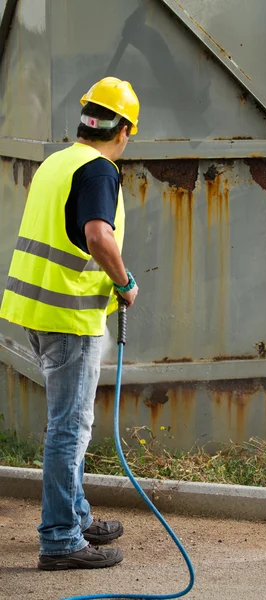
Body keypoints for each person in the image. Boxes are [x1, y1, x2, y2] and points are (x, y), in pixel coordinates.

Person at [0, 77, 140, 570]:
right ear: (123, 129)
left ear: (85, 119)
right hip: (69, 317)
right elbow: (98, 235)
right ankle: (60, 539)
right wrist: (124, 283)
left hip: (36, 311)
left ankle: (75, 516)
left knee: (71, 425)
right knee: (70, 428)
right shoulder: (100, 170)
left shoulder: (58, 161)